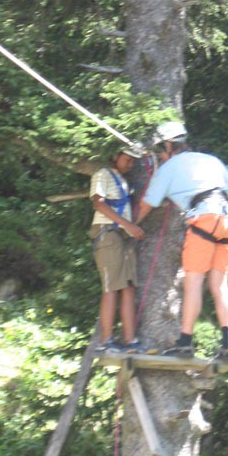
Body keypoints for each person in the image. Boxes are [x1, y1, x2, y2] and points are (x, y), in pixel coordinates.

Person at [136, 121, 228, 361]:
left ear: (169, 145)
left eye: (160, 151)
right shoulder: (210, 160)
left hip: (204, 218)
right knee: (220, 286)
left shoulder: (168, 168)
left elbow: (146, 204)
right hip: (227, 219)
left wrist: (130, 225)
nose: (160, 157)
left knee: (192, 283)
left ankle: (185, 343)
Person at [89, 143, 147, 354]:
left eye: (133, 161)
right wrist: (128, 224)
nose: (130, 164)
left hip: (123, 237)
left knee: (128, 286)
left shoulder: (124, 181)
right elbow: (99, 203)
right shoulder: (102, 174)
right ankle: (107, 341)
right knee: (111, 286)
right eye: (127, 159)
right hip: (108, 233)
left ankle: (130, 340)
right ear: (115, 156)